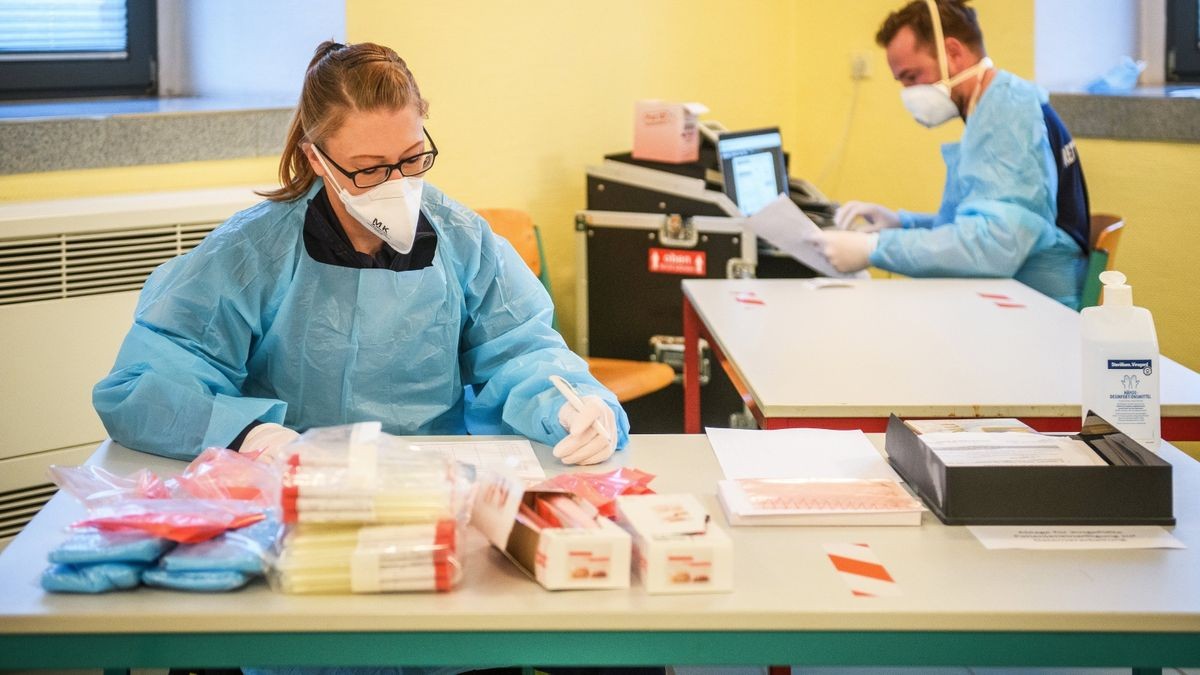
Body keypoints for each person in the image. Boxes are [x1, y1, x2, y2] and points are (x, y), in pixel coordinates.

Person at [93, 40, 628, 467]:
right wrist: (251, 435)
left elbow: (524, 351)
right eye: (369, 168)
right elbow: (149, 382)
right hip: (294, 486)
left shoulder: (463, 239)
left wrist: (577, 407)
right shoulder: (252, 252)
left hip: (433, 483)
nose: (396, 184)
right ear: (317, 158)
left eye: (413, 158)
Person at [816, 0, 1090, 309]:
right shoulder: (996, 105)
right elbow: (984, 221)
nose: (908, 93)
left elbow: (994, 247)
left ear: (954, 53)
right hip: (1013, 298)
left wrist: (875, 248)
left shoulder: (1007, 117)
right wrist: (903, 224)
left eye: (912, 76)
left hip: (1035, 311)